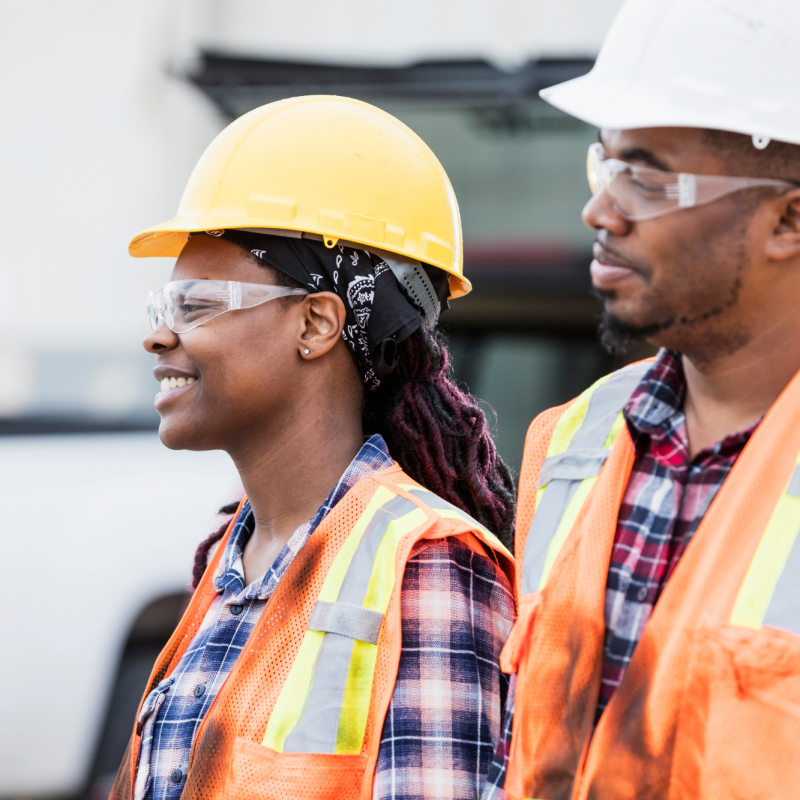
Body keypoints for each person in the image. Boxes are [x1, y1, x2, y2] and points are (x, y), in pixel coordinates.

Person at [109, 96, 517, 800]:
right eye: (161, 309)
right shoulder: (226, 564)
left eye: (197, 304)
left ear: (318, 323)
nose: (157, 336)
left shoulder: (429, 568)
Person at [482, 1, 800, 798]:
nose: (601, 210)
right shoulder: (572, 441)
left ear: (790, 218)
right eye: (607, 166)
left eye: (648, 178)